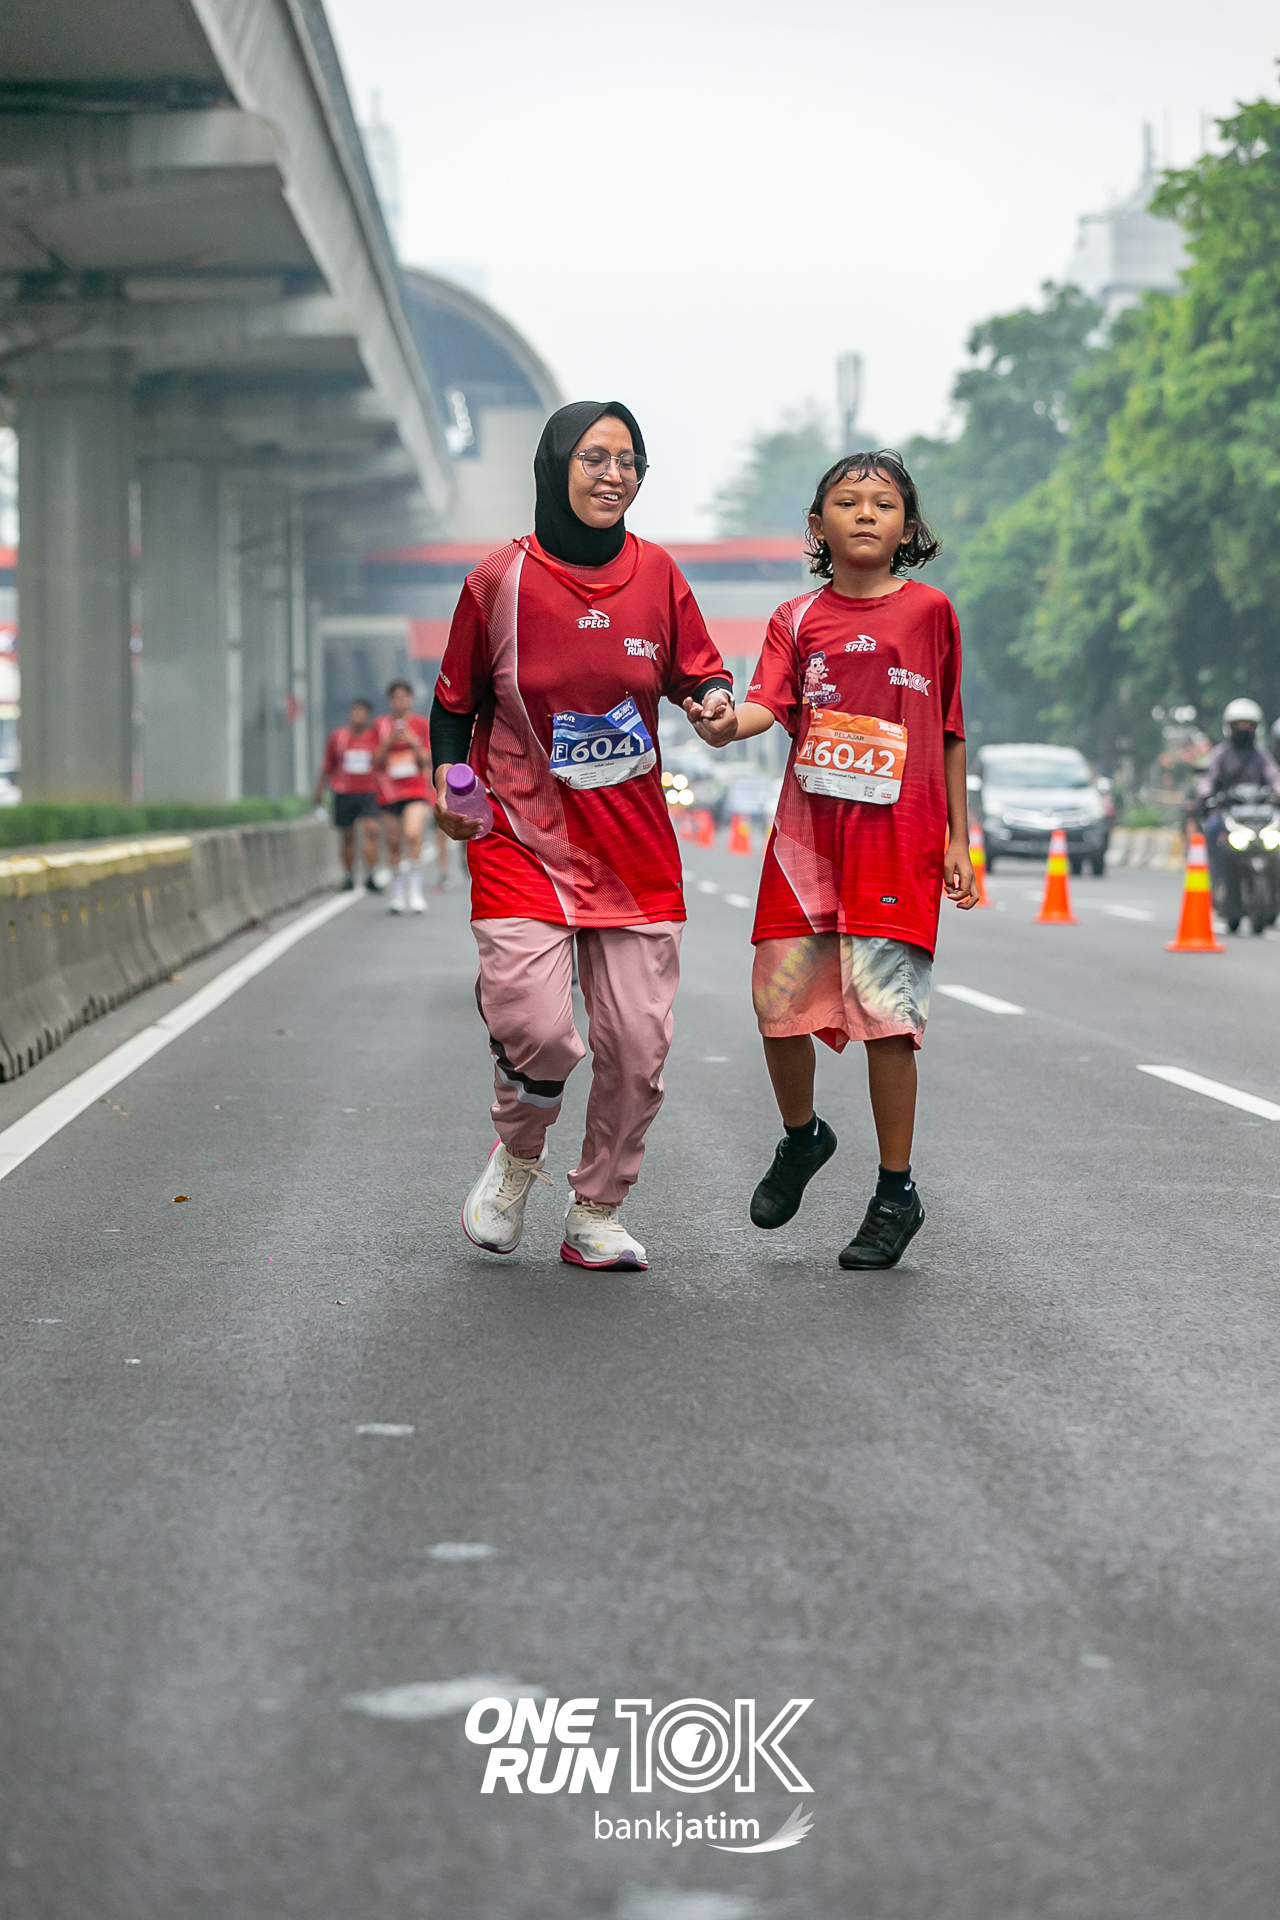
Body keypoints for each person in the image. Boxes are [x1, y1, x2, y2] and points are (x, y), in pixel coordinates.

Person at [431, 400, 733, 1271]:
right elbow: (454, 706)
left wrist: (714, 702)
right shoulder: (497, 582)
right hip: (520, 839)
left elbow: (700, 671)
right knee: (539, 1029)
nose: (614, 474)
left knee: (636, 1048)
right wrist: (451, 784)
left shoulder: (659, 574)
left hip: (633, 853)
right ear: (555, 466)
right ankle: (519, 1155)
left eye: (628, 459)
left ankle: (597, 1208)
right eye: (595, 457)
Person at [691, 450, 977, 1271]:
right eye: (847, 503)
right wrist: (724, 724)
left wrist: (959, 839)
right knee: (776, 1005)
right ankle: (802, 1136)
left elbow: (951, 730)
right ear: (817, 527)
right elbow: (765, 703)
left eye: (883, 504)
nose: (865, 514)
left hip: (898, 848)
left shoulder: (931, 614)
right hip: (805, 850)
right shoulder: (796, 618)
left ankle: (895, 1193)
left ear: (908, 528)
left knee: (889, 1022)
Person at [1187, 698, 1280, 884]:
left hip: (1259, 813)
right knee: (1213, 828)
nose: (1243, 730)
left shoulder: (1262, 756)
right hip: (1227, 812)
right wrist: (1206, 796)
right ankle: (1218, 878)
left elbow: (1275, 778)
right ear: (1230, 728)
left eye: (1248, 726)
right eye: (1239, 726)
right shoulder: (1220, 755)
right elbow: (1208, 780)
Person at [373, 679, 433, 914]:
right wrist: (390, 740)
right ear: (390, 701)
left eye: (404, 697)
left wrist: (410, 740)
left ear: (411, 699)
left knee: (413, 834)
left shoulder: (419, 724)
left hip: (415, 790)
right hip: (389, 792)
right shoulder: (381, 725)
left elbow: (426, 759)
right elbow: (375, 761)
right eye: (395, 698)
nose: (400, 702)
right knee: (394, 843)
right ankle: (397, 893)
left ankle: (415, 891)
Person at [313, 697, 381, 891]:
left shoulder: (374, 738)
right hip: (344, 792)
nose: (357, 716)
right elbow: (327, 764)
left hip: (369, 791)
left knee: (371, 829)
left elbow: (381, 761)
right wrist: (319, 789)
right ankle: (349, 875)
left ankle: (370, 874)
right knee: (348, 836)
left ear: (368, 717)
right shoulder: (338, 737)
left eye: (362, 713)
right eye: (354, 712)